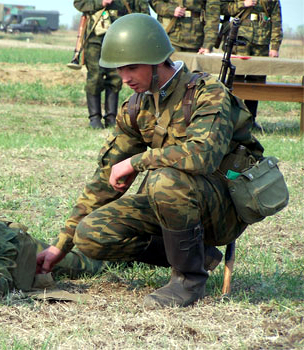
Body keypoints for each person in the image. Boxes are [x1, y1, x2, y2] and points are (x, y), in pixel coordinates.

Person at [37, 14, 264, 308]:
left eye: (132, 67)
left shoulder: (208, 93)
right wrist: (60, 245)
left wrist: (137, 162)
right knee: (90, 234)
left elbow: (202, 156)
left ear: (158, 60)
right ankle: (200, 255)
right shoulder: (136, 107)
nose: (125, 78)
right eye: (120, 70)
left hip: (223, 205)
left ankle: (188, 281)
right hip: (172, 203)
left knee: (163, 178)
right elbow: (105, 178)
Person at [74, 0, 150, 129]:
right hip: (95, 38)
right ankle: (94, 118)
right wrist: (101, 2)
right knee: (95, 77)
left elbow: (143, 12)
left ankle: (111, 117)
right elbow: (79, 3)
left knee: (116, 77)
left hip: (122, 37)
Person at [220, 0, 283, 130]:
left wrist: (275, 46)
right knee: (235, 79)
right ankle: (232, 119)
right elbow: (223, 8)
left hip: (262, 42)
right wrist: (243, 4)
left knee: (256, 82)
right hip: (239, 39)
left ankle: (250, 120)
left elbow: (276, 19)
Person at [150, 0, 221, 54]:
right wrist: (171, 10)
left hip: (195, 40)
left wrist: (208, 45)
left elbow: (213, 16)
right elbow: (155, 2)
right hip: (168, 37)